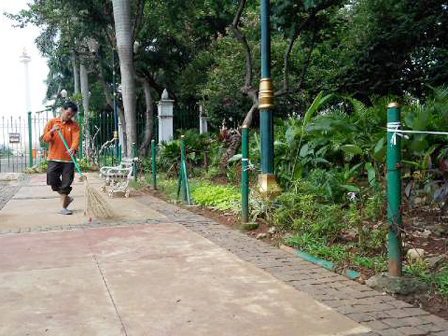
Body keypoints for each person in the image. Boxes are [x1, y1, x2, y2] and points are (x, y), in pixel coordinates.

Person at [42, 101, 80, 215]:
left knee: (66, 183)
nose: (70, 116)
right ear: (63, 110)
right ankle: (66, 197)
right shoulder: (52, 122)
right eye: (68, 113)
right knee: (52, 180)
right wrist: (52, 131)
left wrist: (73, 148)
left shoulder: (74, 125)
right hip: (54, 158)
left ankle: (63, 207)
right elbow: (45, 139)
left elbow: (76, 139)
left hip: (68, 160)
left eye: (72, 115)